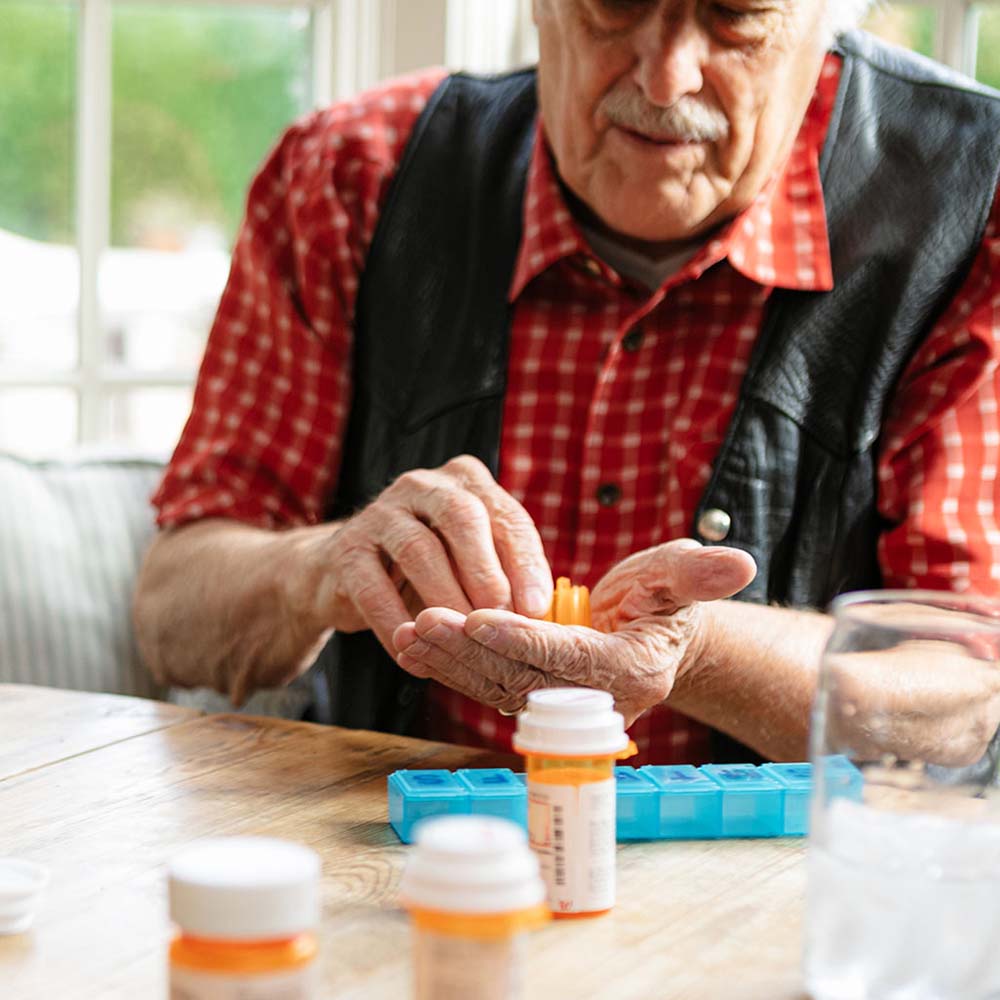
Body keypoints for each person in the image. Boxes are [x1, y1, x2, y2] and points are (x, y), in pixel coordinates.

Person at [133, 0, 1000, 766]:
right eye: (615, 4)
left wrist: (696, 651)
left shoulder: (970, 203)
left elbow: (966, 691)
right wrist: (323, 562)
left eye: (736, 13)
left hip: (774, 896)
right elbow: (172, 611)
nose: (666, 79)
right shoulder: (350, 176)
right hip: (408, 867)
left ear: (830, 23)